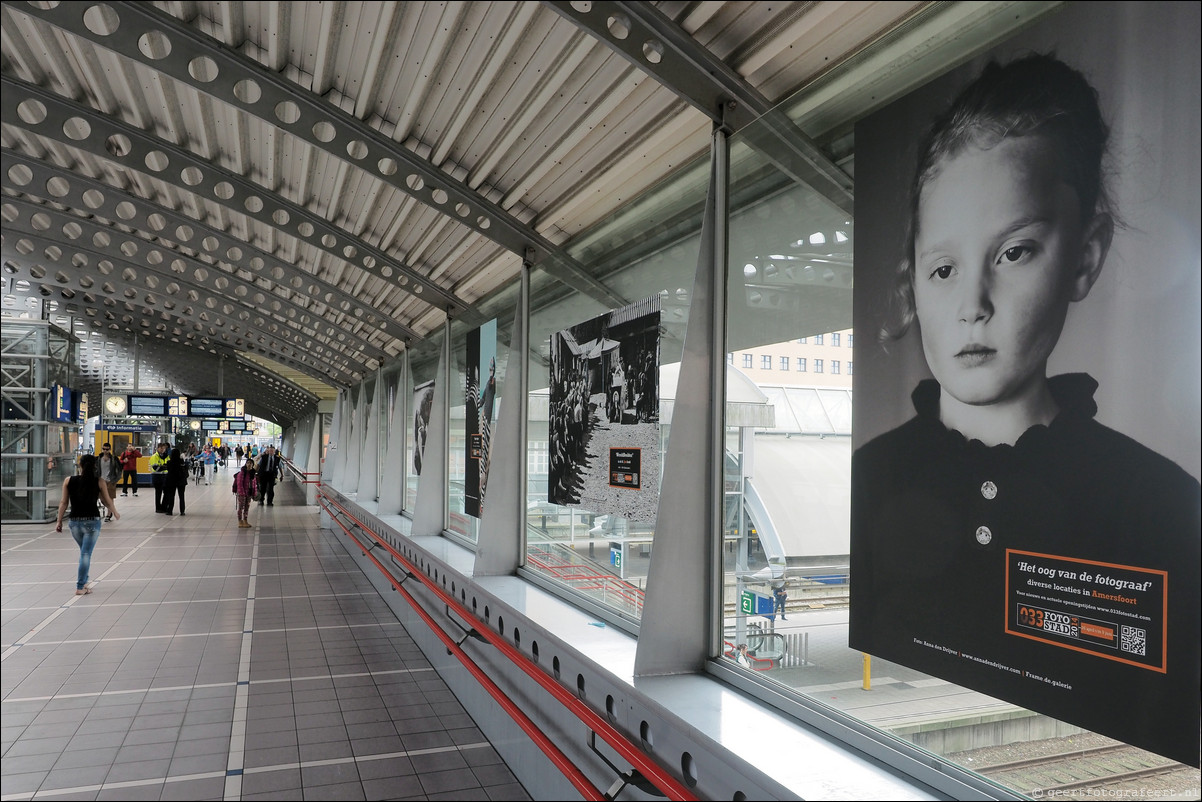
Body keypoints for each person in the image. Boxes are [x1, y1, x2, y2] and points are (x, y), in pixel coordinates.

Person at [850, 53, 1200, 763]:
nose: (972, 305)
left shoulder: (1167, 508)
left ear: (1085, 255)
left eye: (1013, 252)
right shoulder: (868, 477)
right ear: (912, 280)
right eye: (943, 269)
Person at [54, 454, 119, 595]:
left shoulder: (68, 480)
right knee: (85, 554)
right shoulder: (99, 481)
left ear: (80, 465)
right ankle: (80, 585)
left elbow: (63, 502)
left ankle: (85, 580)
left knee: (84, 552)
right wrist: (115, 512)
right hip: (92, 522)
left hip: (74, 523)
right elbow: (107, 501)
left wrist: (59, 521)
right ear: (95, 465)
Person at [96, 443, 120, 521]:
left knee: (110, 497)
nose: (105, 451)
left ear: (110, 450)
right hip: (100, 480)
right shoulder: (98, 459)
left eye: (107, 449)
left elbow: (119, 469)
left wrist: (115, 479)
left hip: (110, 480)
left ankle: (109, 514)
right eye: (104, 449)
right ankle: (111, 510)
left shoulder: (114, 459)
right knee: (102, 498)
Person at [161, 447, 187, 515]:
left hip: (172, 481)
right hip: (181, 481)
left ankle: (170, 510)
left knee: (171, 496)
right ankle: (182, 511)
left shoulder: (169, 462)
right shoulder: (182, 462)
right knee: (181, 496)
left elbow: (168, 470)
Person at [232, 458, 258, 528]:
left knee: (247, 507)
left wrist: (254, 493)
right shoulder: (242, 473)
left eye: (251, 463)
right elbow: (239, 484)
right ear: (246, 464)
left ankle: (245, 520)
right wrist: (242, 493)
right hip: (242, 494)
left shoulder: (252, 474)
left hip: (249, 493)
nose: (249, 465)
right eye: (248, 463)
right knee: (241, 507)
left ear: (253, 465)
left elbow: (254, 484)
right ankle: (240, 521)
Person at [149, 442, 170, 512]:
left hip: (165, 477)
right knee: (158, 493)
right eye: (161, 448)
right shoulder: (154, 456)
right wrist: (164, 466)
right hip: (157, 477)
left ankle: (164, 507)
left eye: (164, 448)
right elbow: (156, 468)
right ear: (158, 448)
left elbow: (169, 466)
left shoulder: (167, 456)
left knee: (167, 492)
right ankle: (158, 508)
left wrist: (163, 466)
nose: (163, 449)